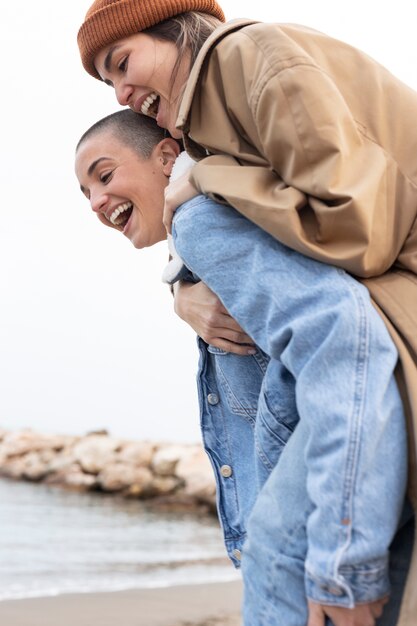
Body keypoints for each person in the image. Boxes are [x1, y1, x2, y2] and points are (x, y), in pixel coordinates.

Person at [75, 109, 412, 626]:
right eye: (85, 194)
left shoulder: (199, 222)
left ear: (168, 157)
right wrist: (179, 290)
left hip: (311, 544)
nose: (97, 202)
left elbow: (343, 340)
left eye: (104, 175)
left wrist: (339, 563)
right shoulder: (204, 247)